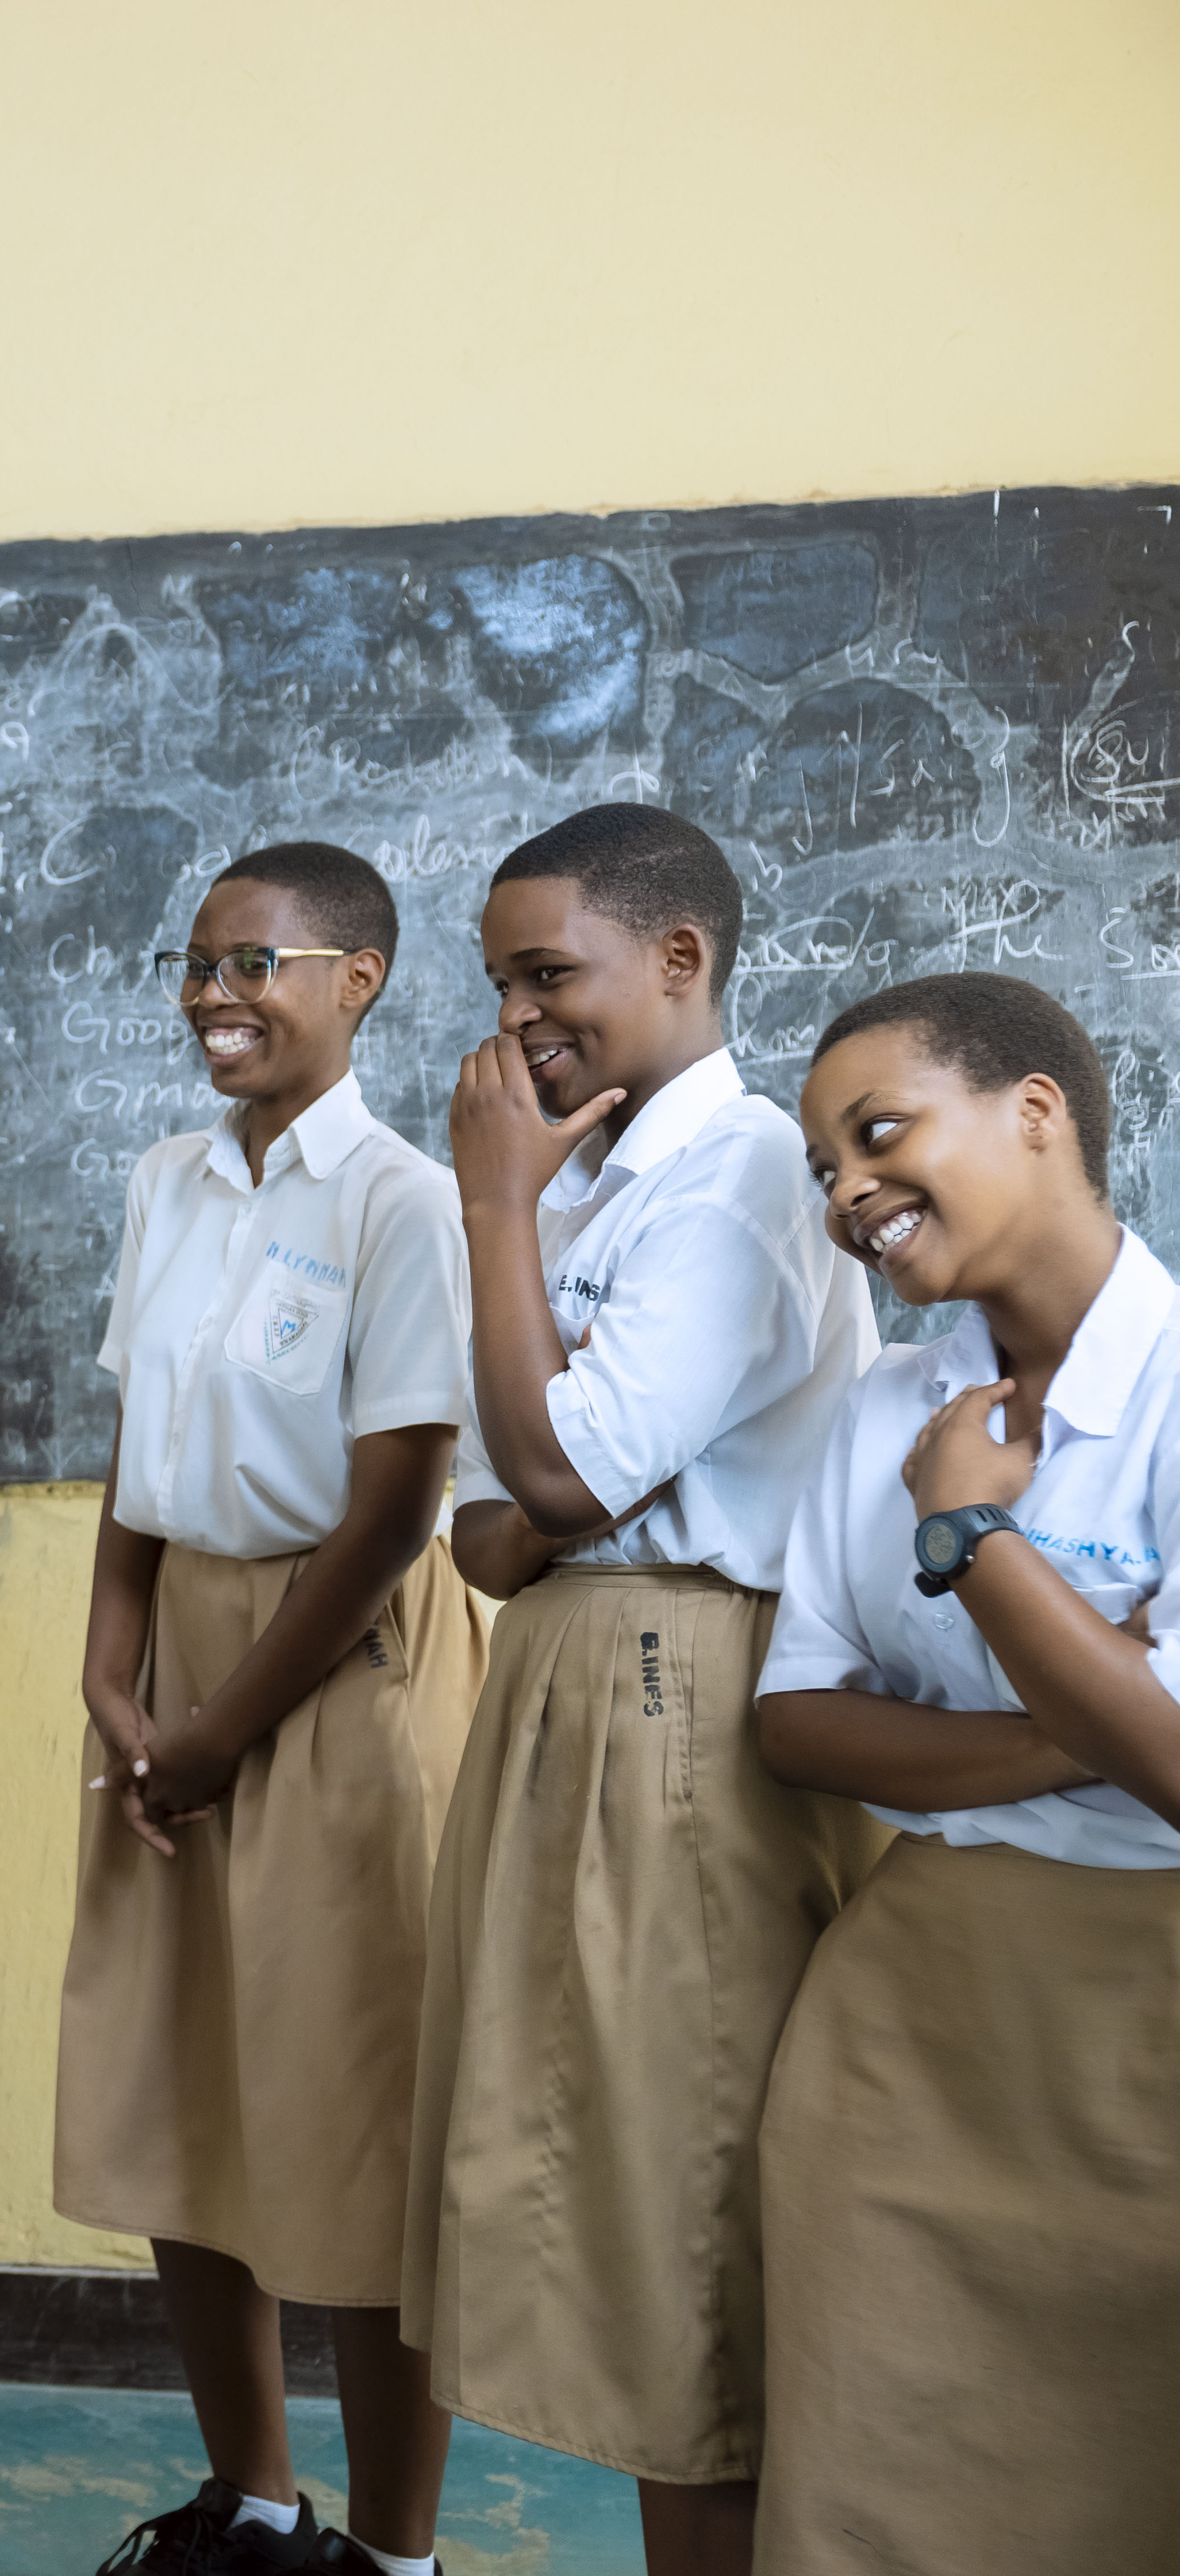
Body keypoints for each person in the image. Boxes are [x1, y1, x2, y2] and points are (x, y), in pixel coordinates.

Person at [408, 804, 881, 2576]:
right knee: (597, 2175)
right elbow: (486, 1517)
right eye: (501, 983)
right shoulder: (589, 1178)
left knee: (678, 2188)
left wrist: (488, 1212)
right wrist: (555, 1481)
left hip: (672, 1680)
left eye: (552, 973)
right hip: (576, 1671)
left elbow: (552, 1479)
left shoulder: (742, 1167)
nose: (519, 1019)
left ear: (680, 960)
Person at [55, 844, 487, 2576]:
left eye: (258, 964)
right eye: (197, 963)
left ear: (356, 980)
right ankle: (254, 2503)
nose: (212, 995)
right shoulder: (169, 1179)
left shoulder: (403, 1199)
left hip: (339, 1660)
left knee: (360, 2125)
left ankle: (393, 2552)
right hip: (180, 1664)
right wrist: (110, 1661)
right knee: (184, 2088)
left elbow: (391, 1510)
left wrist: (224, 1725)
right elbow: (135, 1456)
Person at [752, 973, 1180, 2570]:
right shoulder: (890, 1404)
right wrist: (1086, 1711)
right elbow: (796, 1720)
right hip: (903, 2035)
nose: (850, 1193)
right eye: (824, 1170)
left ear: (1037, 1111)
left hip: (1148, 2041)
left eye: (876, 1135)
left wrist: (971, 1538)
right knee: (873, 2480)